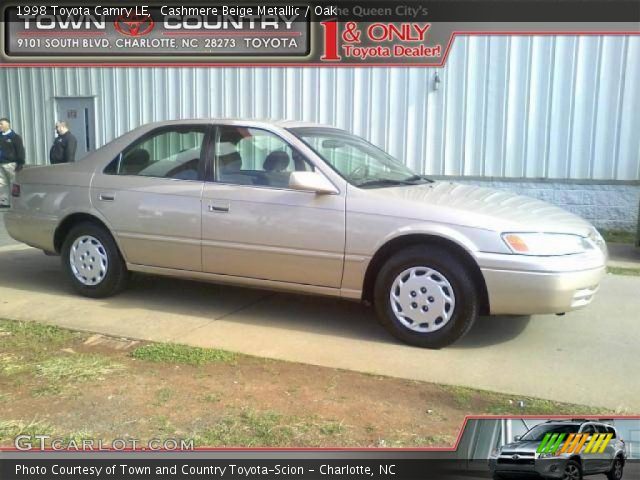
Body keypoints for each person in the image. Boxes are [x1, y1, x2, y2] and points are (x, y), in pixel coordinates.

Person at [0, 117, 25, 208]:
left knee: (14, 183)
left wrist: (20, 163)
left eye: (1, 124)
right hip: (1, 164)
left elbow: (20, 150)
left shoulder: (15, 137)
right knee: (2, 183)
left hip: (11, 164)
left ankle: (16, 203)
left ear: (8, 125)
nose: (0, 126)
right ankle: (4, 202)